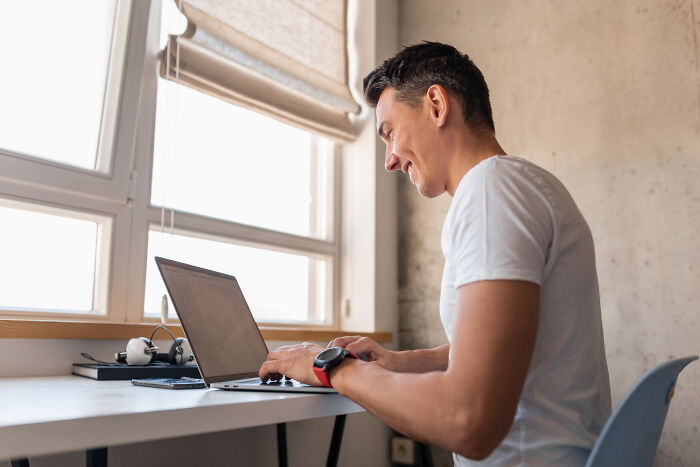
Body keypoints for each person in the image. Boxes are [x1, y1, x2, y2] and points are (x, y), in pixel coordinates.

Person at [259, 42, 611, 466]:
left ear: (437, 105)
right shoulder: (529, 185)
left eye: (389, 132)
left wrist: (329, 367)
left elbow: (469, 420)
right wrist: (394, 362)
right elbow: (498, 346)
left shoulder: (491, 193)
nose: (389, 161)